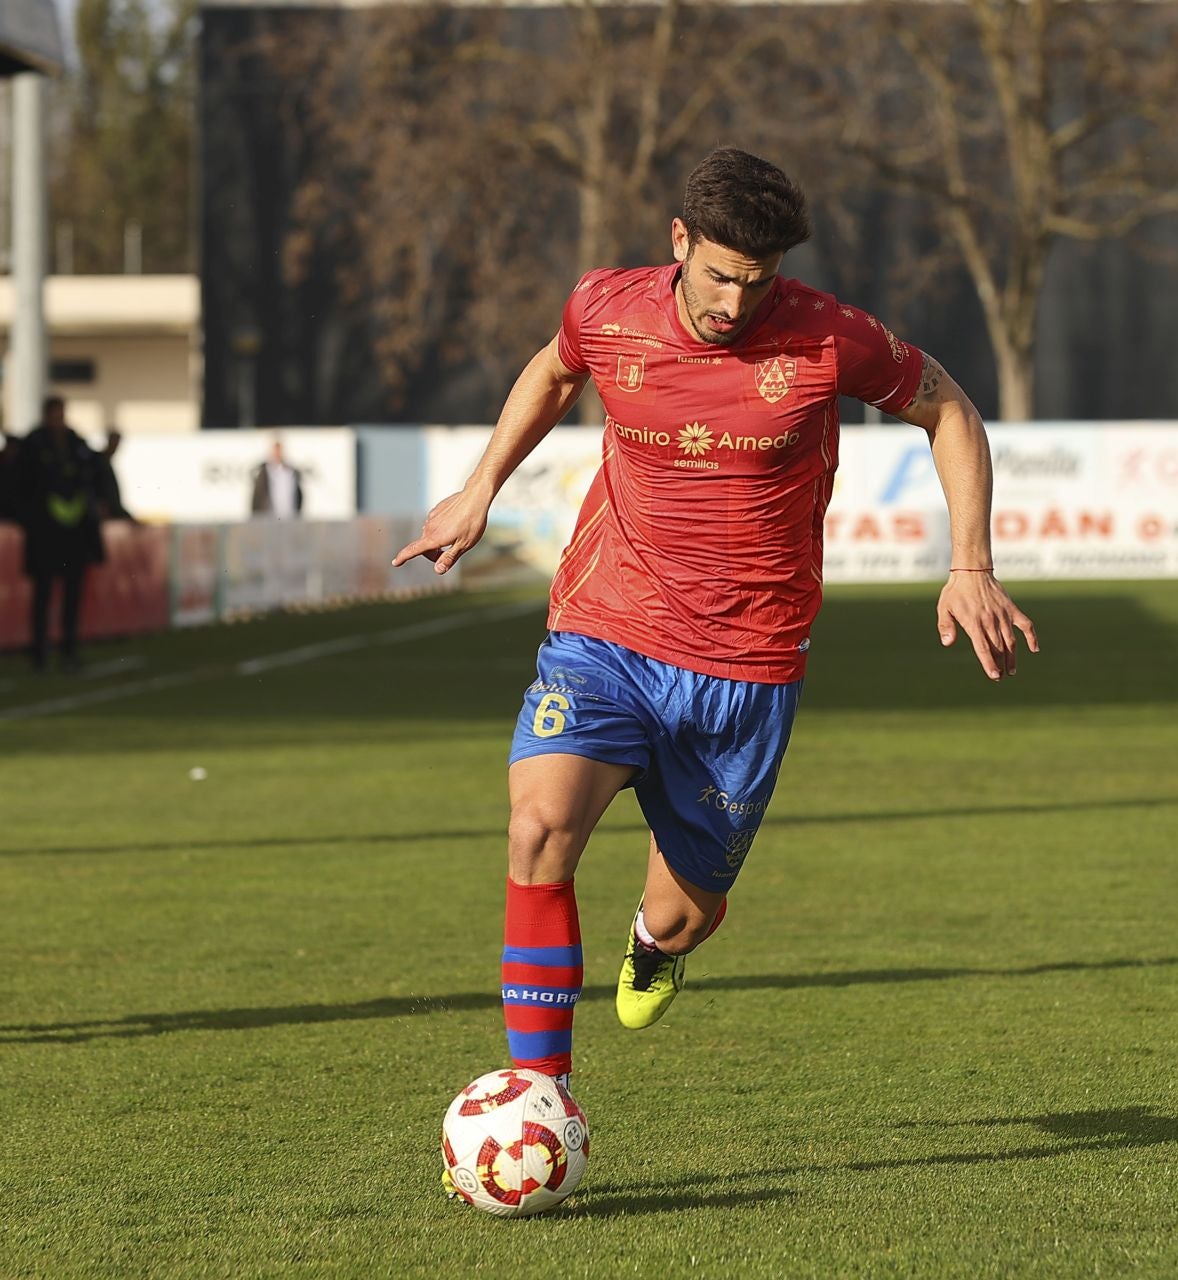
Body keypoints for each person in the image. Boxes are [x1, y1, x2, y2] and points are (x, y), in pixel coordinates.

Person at [393, 148, 1037, 1131]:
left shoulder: (830, 337)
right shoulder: (606, 307)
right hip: (607, 628)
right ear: (679, 241)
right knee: (538, 830)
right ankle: (541, 1097)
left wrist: (971, 563)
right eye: (721, 275)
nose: (737, 303)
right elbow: (557, 368)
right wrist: (481, 485)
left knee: (682, 913)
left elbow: (948, 408)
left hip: (746, 667)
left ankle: (656, 946)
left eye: (758, 281)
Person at [15, 396, 108, 672]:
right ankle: (40, 654)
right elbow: (20, 486)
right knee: (43, 595)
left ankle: (69, 650)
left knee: (72, 596)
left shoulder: (76, 444)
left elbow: (96, 473)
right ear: (46, 416)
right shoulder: (33, 445)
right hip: (44, 535)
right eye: (54, 415)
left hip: (73, 536)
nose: (58, 421)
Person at [250, 439, 303, 518]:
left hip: (289, 518)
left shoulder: (290, 472)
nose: (277, 454)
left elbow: (298, 496)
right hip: (268, 519)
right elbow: (257, 498)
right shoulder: (264, 473)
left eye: (279, 451)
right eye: (275, 451)